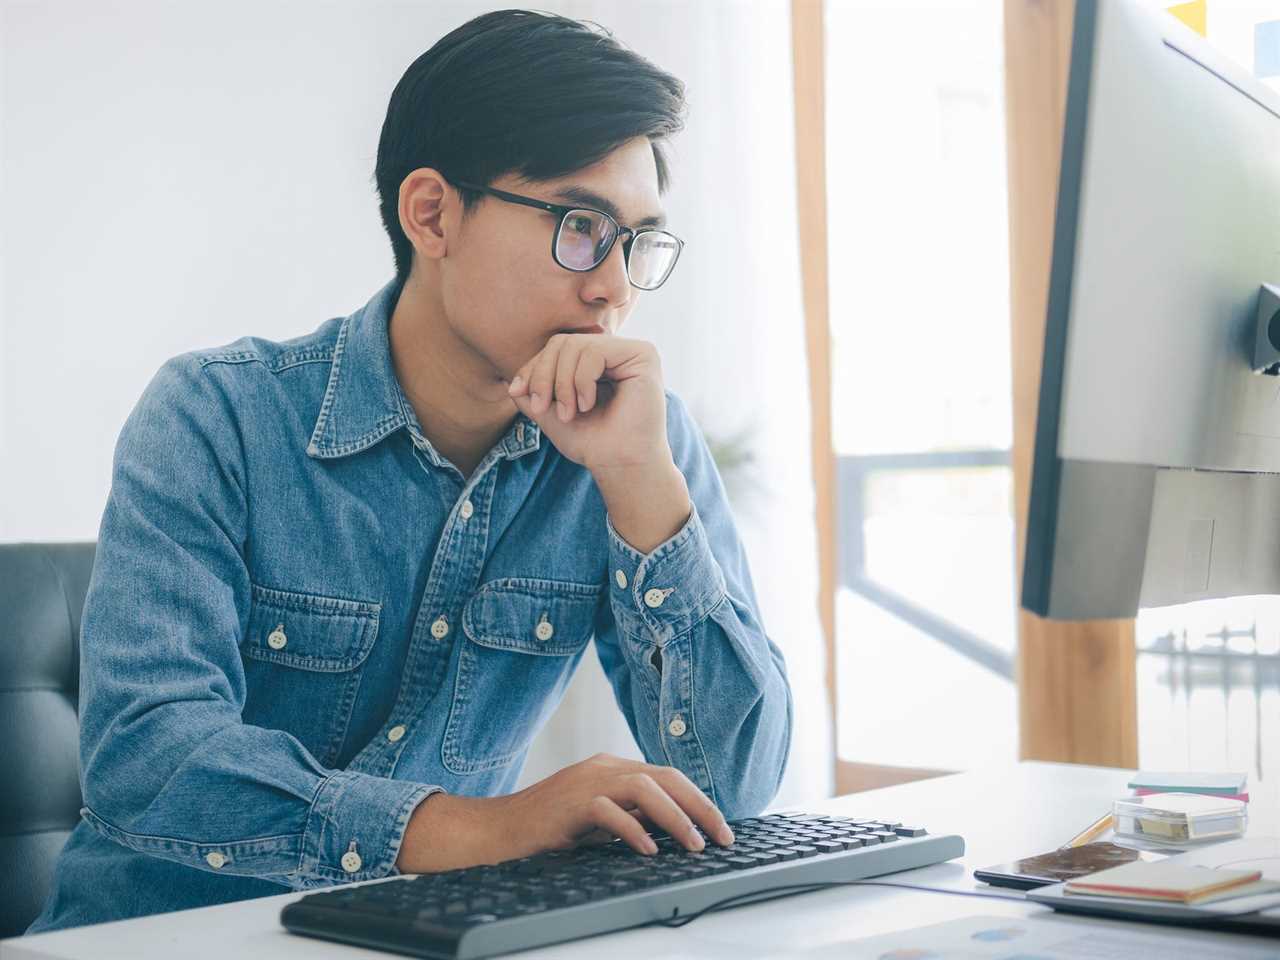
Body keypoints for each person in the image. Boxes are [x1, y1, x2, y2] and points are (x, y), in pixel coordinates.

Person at [26, 8, 792, 933]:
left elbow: (736, 787)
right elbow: (151, 759)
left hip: (429, 944)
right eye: (583, 226)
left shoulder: (634, 439)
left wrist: (640, 487)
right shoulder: (215, 416)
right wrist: (486, 829)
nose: (615, 287)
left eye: (636, 241)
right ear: (432, 213)